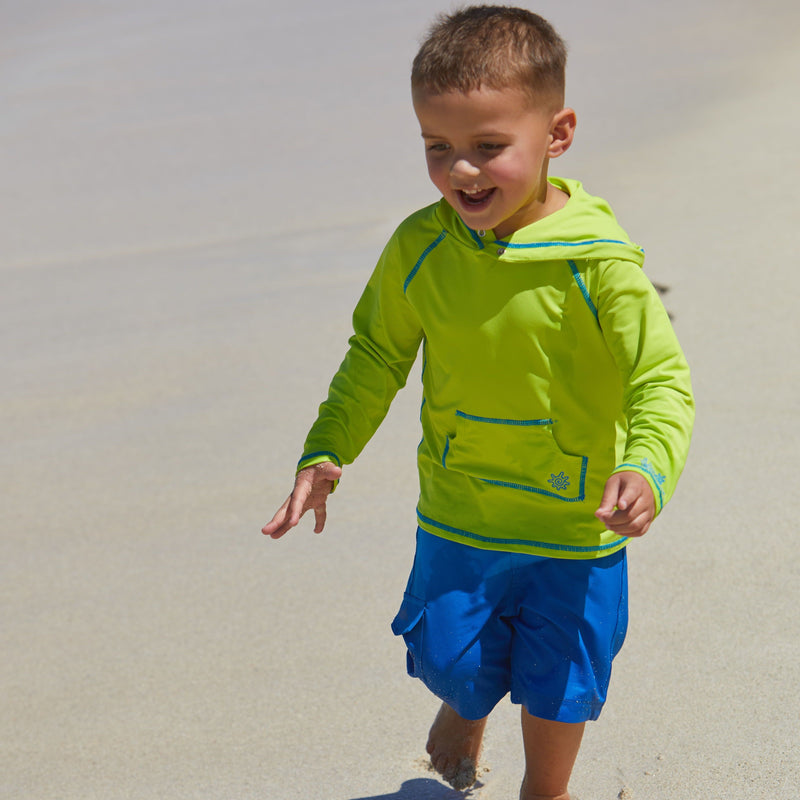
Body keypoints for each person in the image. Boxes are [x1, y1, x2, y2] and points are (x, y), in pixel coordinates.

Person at [262, 6, 694, 799]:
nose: (461, 171)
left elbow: (660, 380)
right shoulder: (419, 249)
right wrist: (327, 449)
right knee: (453, 659)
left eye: (489, 148)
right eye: (439, 148)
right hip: (463, 512)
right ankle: (465, 708)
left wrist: (647, 468)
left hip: (575, 523)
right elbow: (376, 355)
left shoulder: (598, 266)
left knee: (562, 674)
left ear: (557, 135)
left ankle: (547, 790)